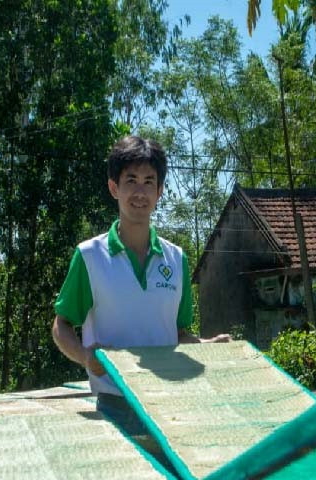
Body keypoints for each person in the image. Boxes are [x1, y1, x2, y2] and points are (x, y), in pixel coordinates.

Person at [52, 136, 229, 429]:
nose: (140, 191)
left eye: (149, 182)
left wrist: (207, 345)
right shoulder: (89, 256)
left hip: (171, 404)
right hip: (114, 407)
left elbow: (179, 334)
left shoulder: (177, 259)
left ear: (159, 192)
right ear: (114, 188)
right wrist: (86, 357)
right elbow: (62, 325)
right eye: (131, 180)